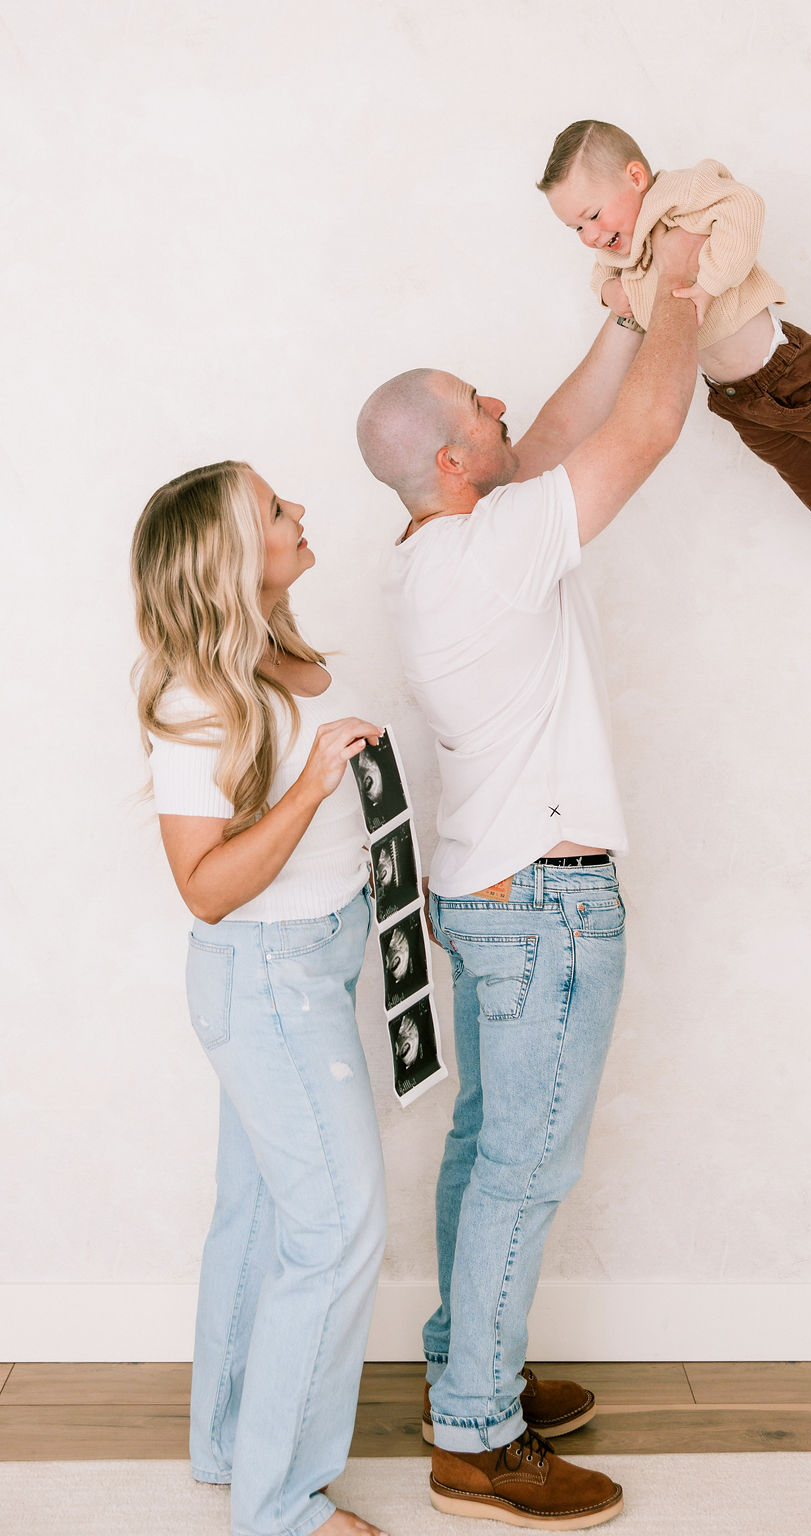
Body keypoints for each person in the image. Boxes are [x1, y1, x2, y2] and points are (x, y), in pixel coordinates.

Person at [355, 224, 702, 1528]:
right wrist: (676, 294)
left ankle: (465, 1364)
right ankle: (476, 1438)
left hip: (491, 897)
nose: (501, 402)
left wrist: (613, 320)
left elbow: (550, 437)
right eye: (477, 406)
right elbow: (650, 429)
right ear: (451, 461)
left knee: (482, 1154)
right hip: (545, 905)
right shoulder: (495, 549)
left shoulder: (445, 550)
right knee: (522, 1172)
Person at [130, 461, 390, 1536]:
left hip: (318, 957)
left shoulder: (275, 654)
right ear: (239, 556)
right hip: (270, 977)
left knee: (263, 1218)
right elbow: (205, 889)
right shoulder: (196, 696)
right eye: (278, 512)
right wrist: (311, 787)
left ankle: (233, 1447)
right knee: (335, 1232)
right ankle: (279, 1509)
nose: (300, 515)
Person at [539, 119, 811, 579]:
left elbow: (744, 207)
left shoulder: (680, 198)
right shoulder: (618, 250)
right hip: (736, 401)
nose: (590, 235)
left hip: (786, 372)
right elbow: (600, 275)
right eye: (576, 229)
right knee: (808, 474)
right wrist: (610, 293)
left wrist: (709, 284)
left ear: (635, 178)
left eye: (592, 215)